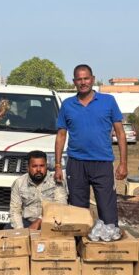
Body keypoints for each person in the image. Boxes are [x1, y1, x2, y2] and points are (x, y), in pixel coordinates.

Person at [54, 64, 128, 226]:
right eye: (79, 79)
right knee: (78, 212)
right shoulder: (67, 104)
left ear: (93, 79)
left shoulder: (108, 101)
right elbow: (61, 135)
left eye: (86, 78)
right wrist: (58, 165)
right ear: (74, 81)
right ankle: (81, 241)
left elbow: (120, 133)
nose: (83, 82)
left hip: (102, 163)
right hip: (76, 163)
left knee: (107, 211)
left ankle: (109, 239)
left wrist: (123, 163)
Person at [9, 150, 68, 229]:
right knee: (7, 230)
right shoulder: (19, 183)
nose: (38, 169)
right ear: (28, 168)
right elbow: (15, 210)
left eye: (42, 166)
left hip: (51, 221)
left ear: (46, 166)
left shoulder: (55, 181)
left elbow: (61, 205)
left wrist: (40, 220)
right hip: (27, 222)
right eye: (34, 166)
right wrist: (21, 231)